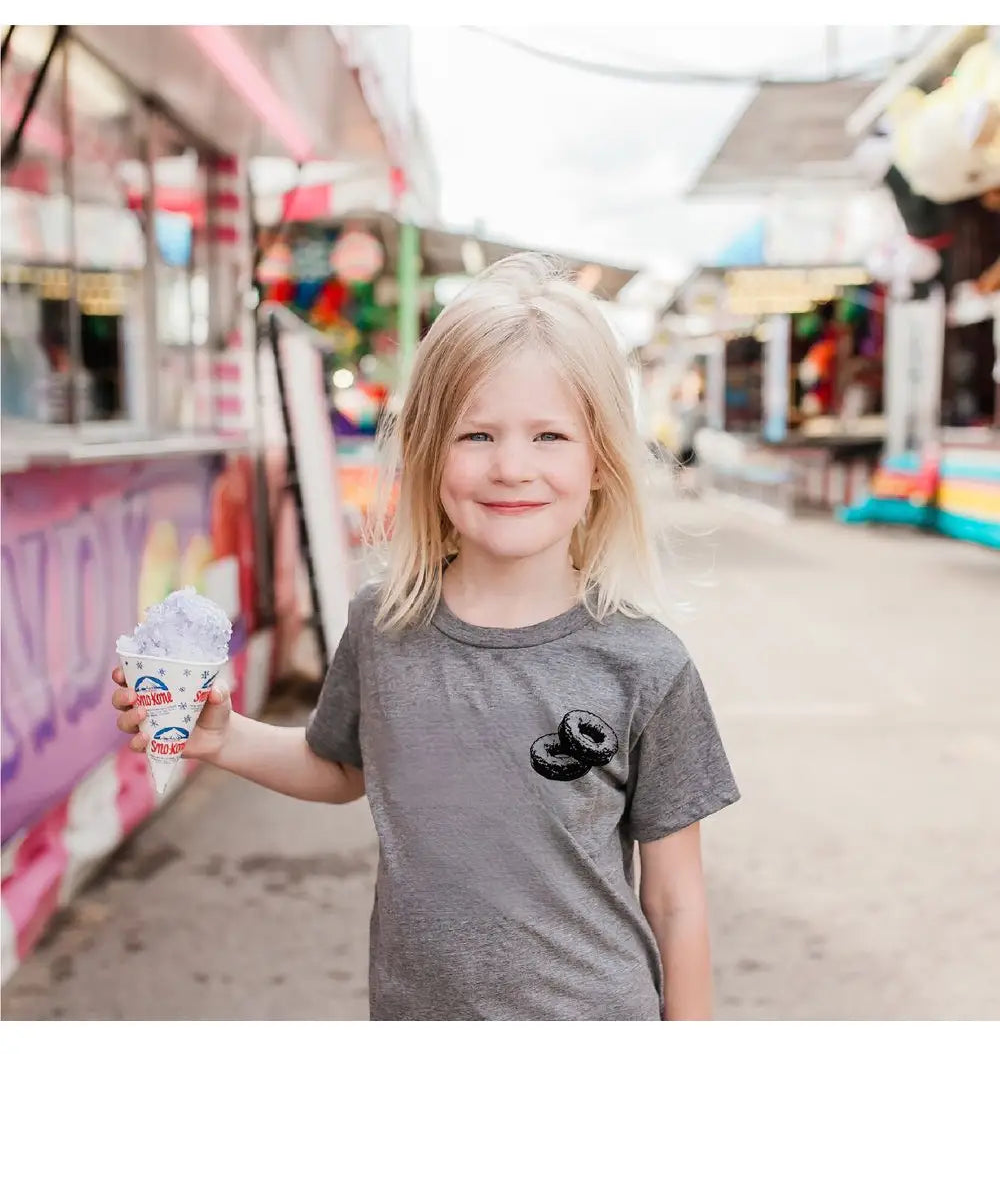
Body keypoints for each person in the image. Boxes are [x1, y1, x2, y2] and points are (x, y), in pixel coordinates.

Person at [110, 254, 740, 1021]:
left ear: (602, 459)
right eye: (476, 434)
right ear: (427, 453)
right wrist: (224, 736)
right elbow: (341, 766)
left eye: (549, 436)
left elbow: (676, 900)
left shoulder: (646, 664)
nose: (512, 467)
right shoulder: (384, 625)